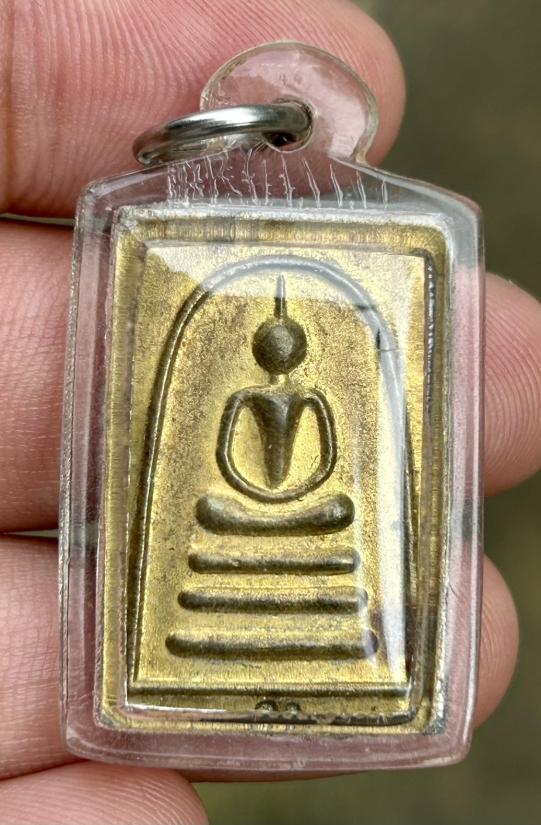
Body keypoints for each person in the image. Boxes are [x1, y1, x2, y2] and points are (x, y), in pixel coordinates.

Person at [0, 1, 539, 822]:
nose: (280, 354)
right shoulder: (240, 382)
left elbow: (330, 460)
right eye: (273, 344)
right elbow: (219, 453)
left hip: (309, 508)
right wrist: (253, 494)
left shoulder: (318, 388)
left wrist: (296, 496)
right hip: (237, 505)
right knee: (215, 515)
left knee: (336, 518)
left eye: (284, 345)